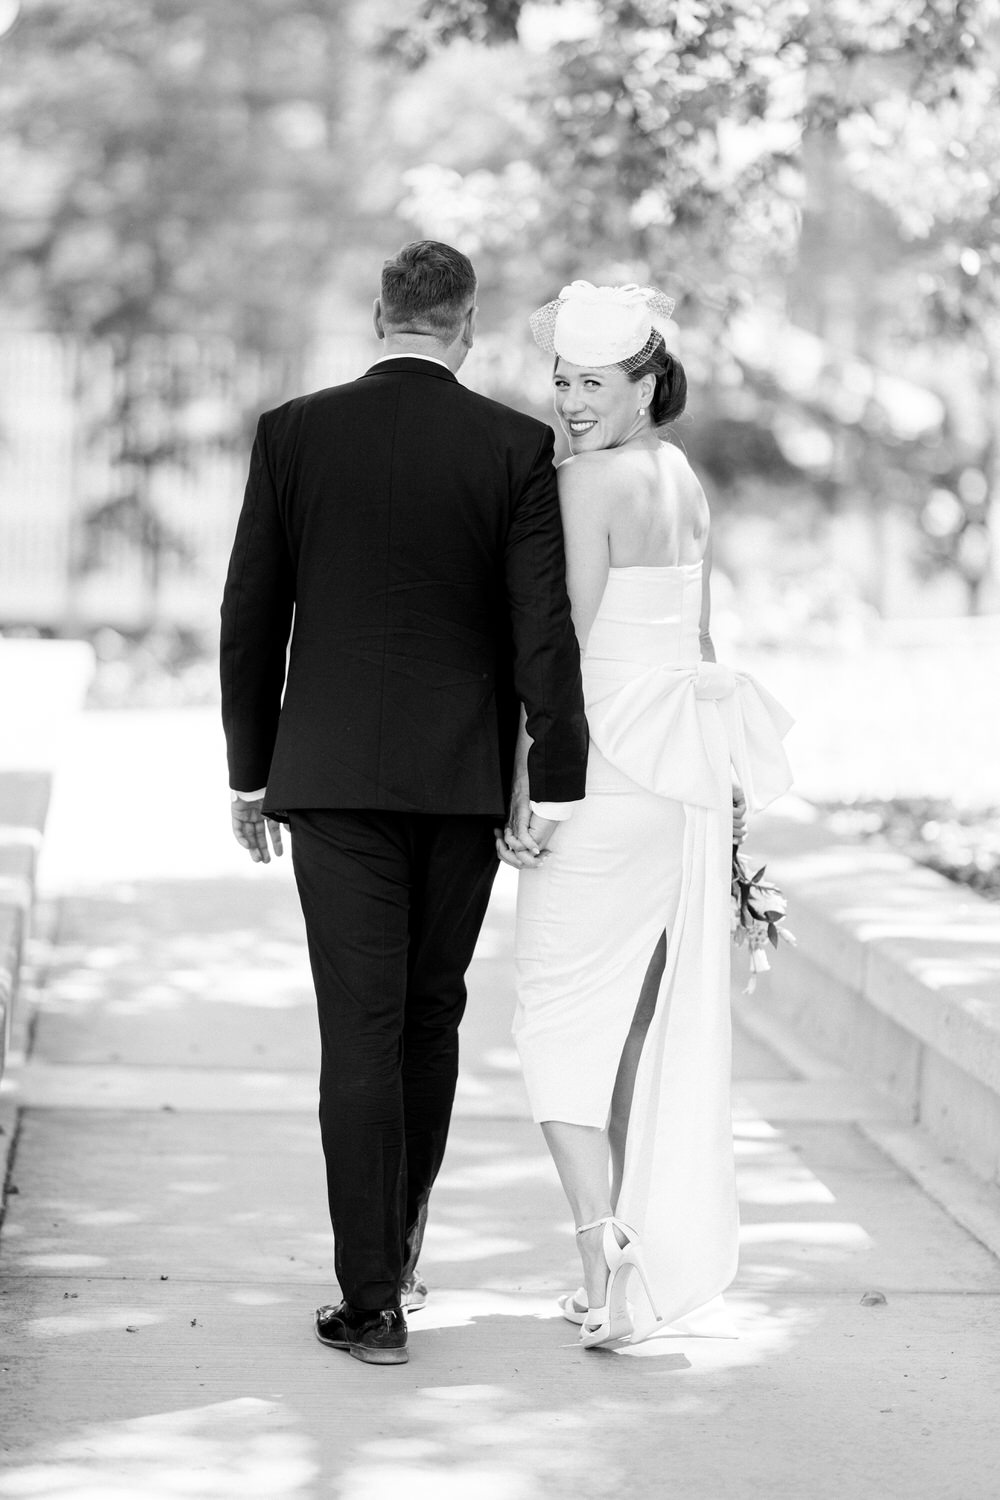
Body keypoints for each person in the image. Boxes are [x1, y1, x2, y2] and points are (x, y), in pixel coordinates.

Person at [220, 241, 588, 1365]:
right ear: (465, 326)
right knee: (430, 1017)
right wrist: (556, 777)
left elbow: (251, 615)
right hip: (457, 781)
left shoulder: (293, 433)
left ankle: (370, 1297)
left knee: (361, 1031)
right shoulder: (517, 445)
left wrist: (250, 769)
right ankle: (403, 1251)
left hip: (327, 780)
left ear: (380, 315)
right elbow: (542, 626)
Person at [501, 280, 792, 1349]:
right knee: (627, 1026)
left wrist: (527, 780)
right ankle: (630, 1243)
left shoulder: (585, 484)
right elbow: (699, 642)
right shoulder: (682, 477)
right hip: (682, 773)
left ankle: (598, 1249)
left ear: (643, 383)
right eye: (562, 380)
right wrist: (726, 817)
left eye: (594, 383)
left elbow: (560, 642)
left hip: (609, 775)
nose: (572, 401)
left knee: (553, 1015)